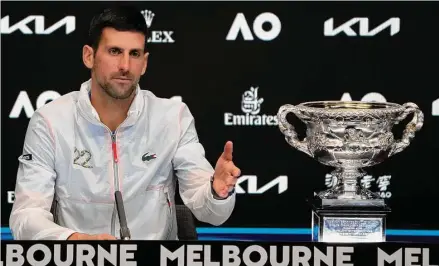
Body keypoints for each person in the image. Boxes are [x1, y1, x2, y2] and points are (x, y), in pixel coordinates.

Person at [9, 6, 240, 240]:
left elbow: (212, 214)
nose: (125, 66)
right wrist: (75, 240)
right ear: (89, 56)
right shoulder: (50, 121)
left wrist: (216, 192)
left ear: (145, 62)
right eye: (115, 51)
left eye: (135, 54)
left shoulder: (173, 118)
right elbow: (26, 216)